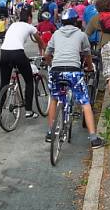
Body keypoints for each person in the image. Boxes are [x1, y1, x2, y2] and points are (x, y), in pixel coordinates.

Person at [44, 9, 104, 149]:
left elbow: (47, 54)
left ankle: (50, 132)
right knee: (84, 102)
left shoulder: (56, 34)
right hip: (74, 72)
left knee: (54, 98)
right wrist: (89, 67)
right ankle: (94, 139)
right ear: (76, 21)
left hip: (56, 71)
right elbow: (87, 55)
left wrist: (51, 64)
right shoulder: (81, 35)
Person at [0, 9, 40, 119]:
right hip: (18, 54)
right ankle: (29, 111)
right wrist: (45, 52)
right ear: (29, 18)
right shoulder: (30, 27)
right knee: (29, 81)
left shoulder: (13, 25)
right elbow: (39, 40)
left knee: (4, 83)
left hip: (3, 53)